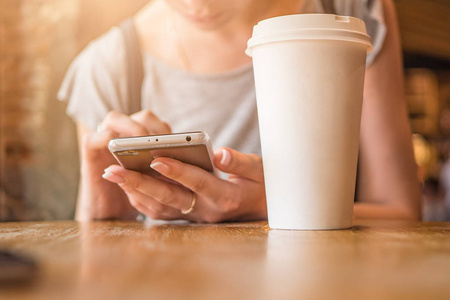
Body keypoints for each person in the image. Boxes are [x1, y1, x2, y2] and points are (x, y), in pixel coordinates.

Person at [58, 0, 422, 222]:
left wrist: (271, 204)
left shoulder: (348, 12)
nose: (195, 4)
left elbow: (403, 214)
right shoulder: (105, 65)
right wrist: (100, 215)